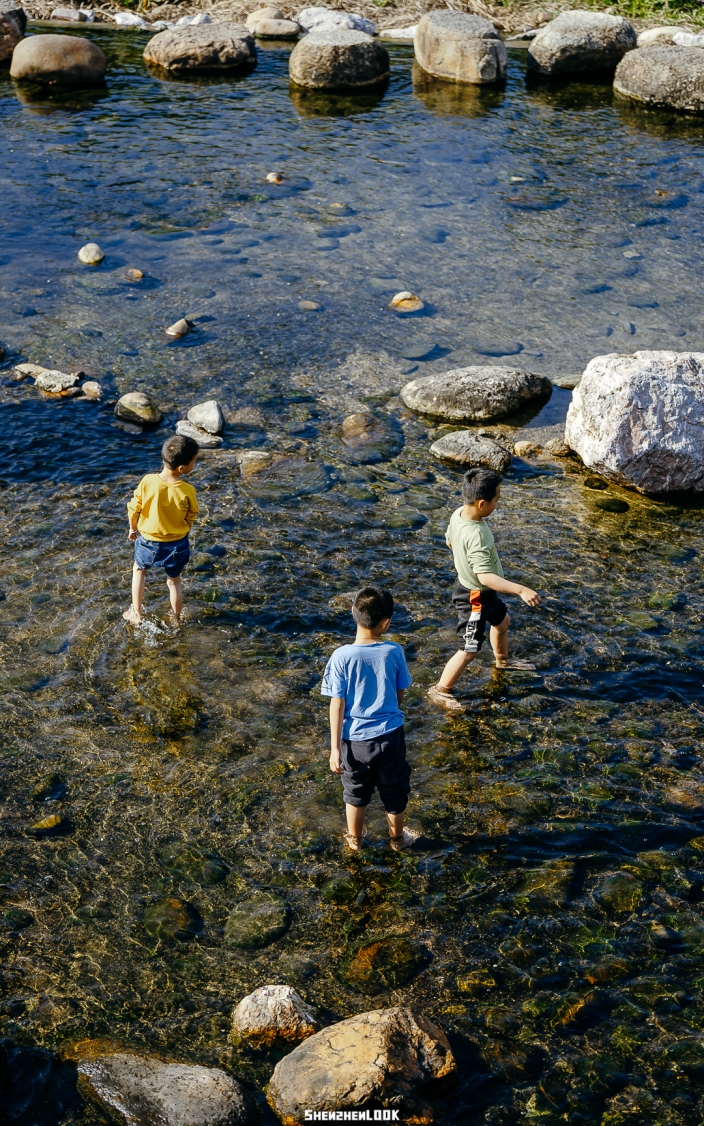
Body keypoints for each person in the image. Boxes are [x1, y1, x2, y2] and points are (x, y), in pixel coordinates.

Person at [428, 467, 541, 712]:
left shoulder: (459, 514)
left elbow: (449, 539)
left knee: (502, 622)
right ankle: (440, 690)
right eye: (497, 499)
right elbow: (486, 577)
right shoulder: (477, 534)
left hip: (479, 592)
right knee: (469, 649)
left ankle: (502, 661)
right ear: (481, 503)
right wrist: (520, 590)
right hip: (475, 597)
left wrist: (461, 554)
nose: (498, 503)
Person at [322, 586, 418, 852]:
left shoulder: (340, 656)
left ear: (353, 612)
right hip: (390, 736)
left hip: (354, 741)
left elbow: (337, 704)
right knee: (395, 789)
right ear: (385, 623)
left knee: (354, 792)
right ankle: (397, 840)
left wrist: (334, 750)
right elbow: (399, 696)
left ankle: (355, 841)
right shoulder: (394, 651)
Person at [123, 434, 200, 626]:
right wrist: (183, 531)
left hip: (148, 542)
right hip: (177, 544)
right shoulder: (187, 490)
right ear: (182, 469)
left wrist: (133, 528)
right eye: (195, 461)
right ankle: (175, 619)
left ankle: (137, 614)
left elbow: (134, 508)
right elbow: (192, 515)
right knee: (174, 582)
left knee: (139, 571)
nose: (195, 464)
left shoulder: (148, 481)